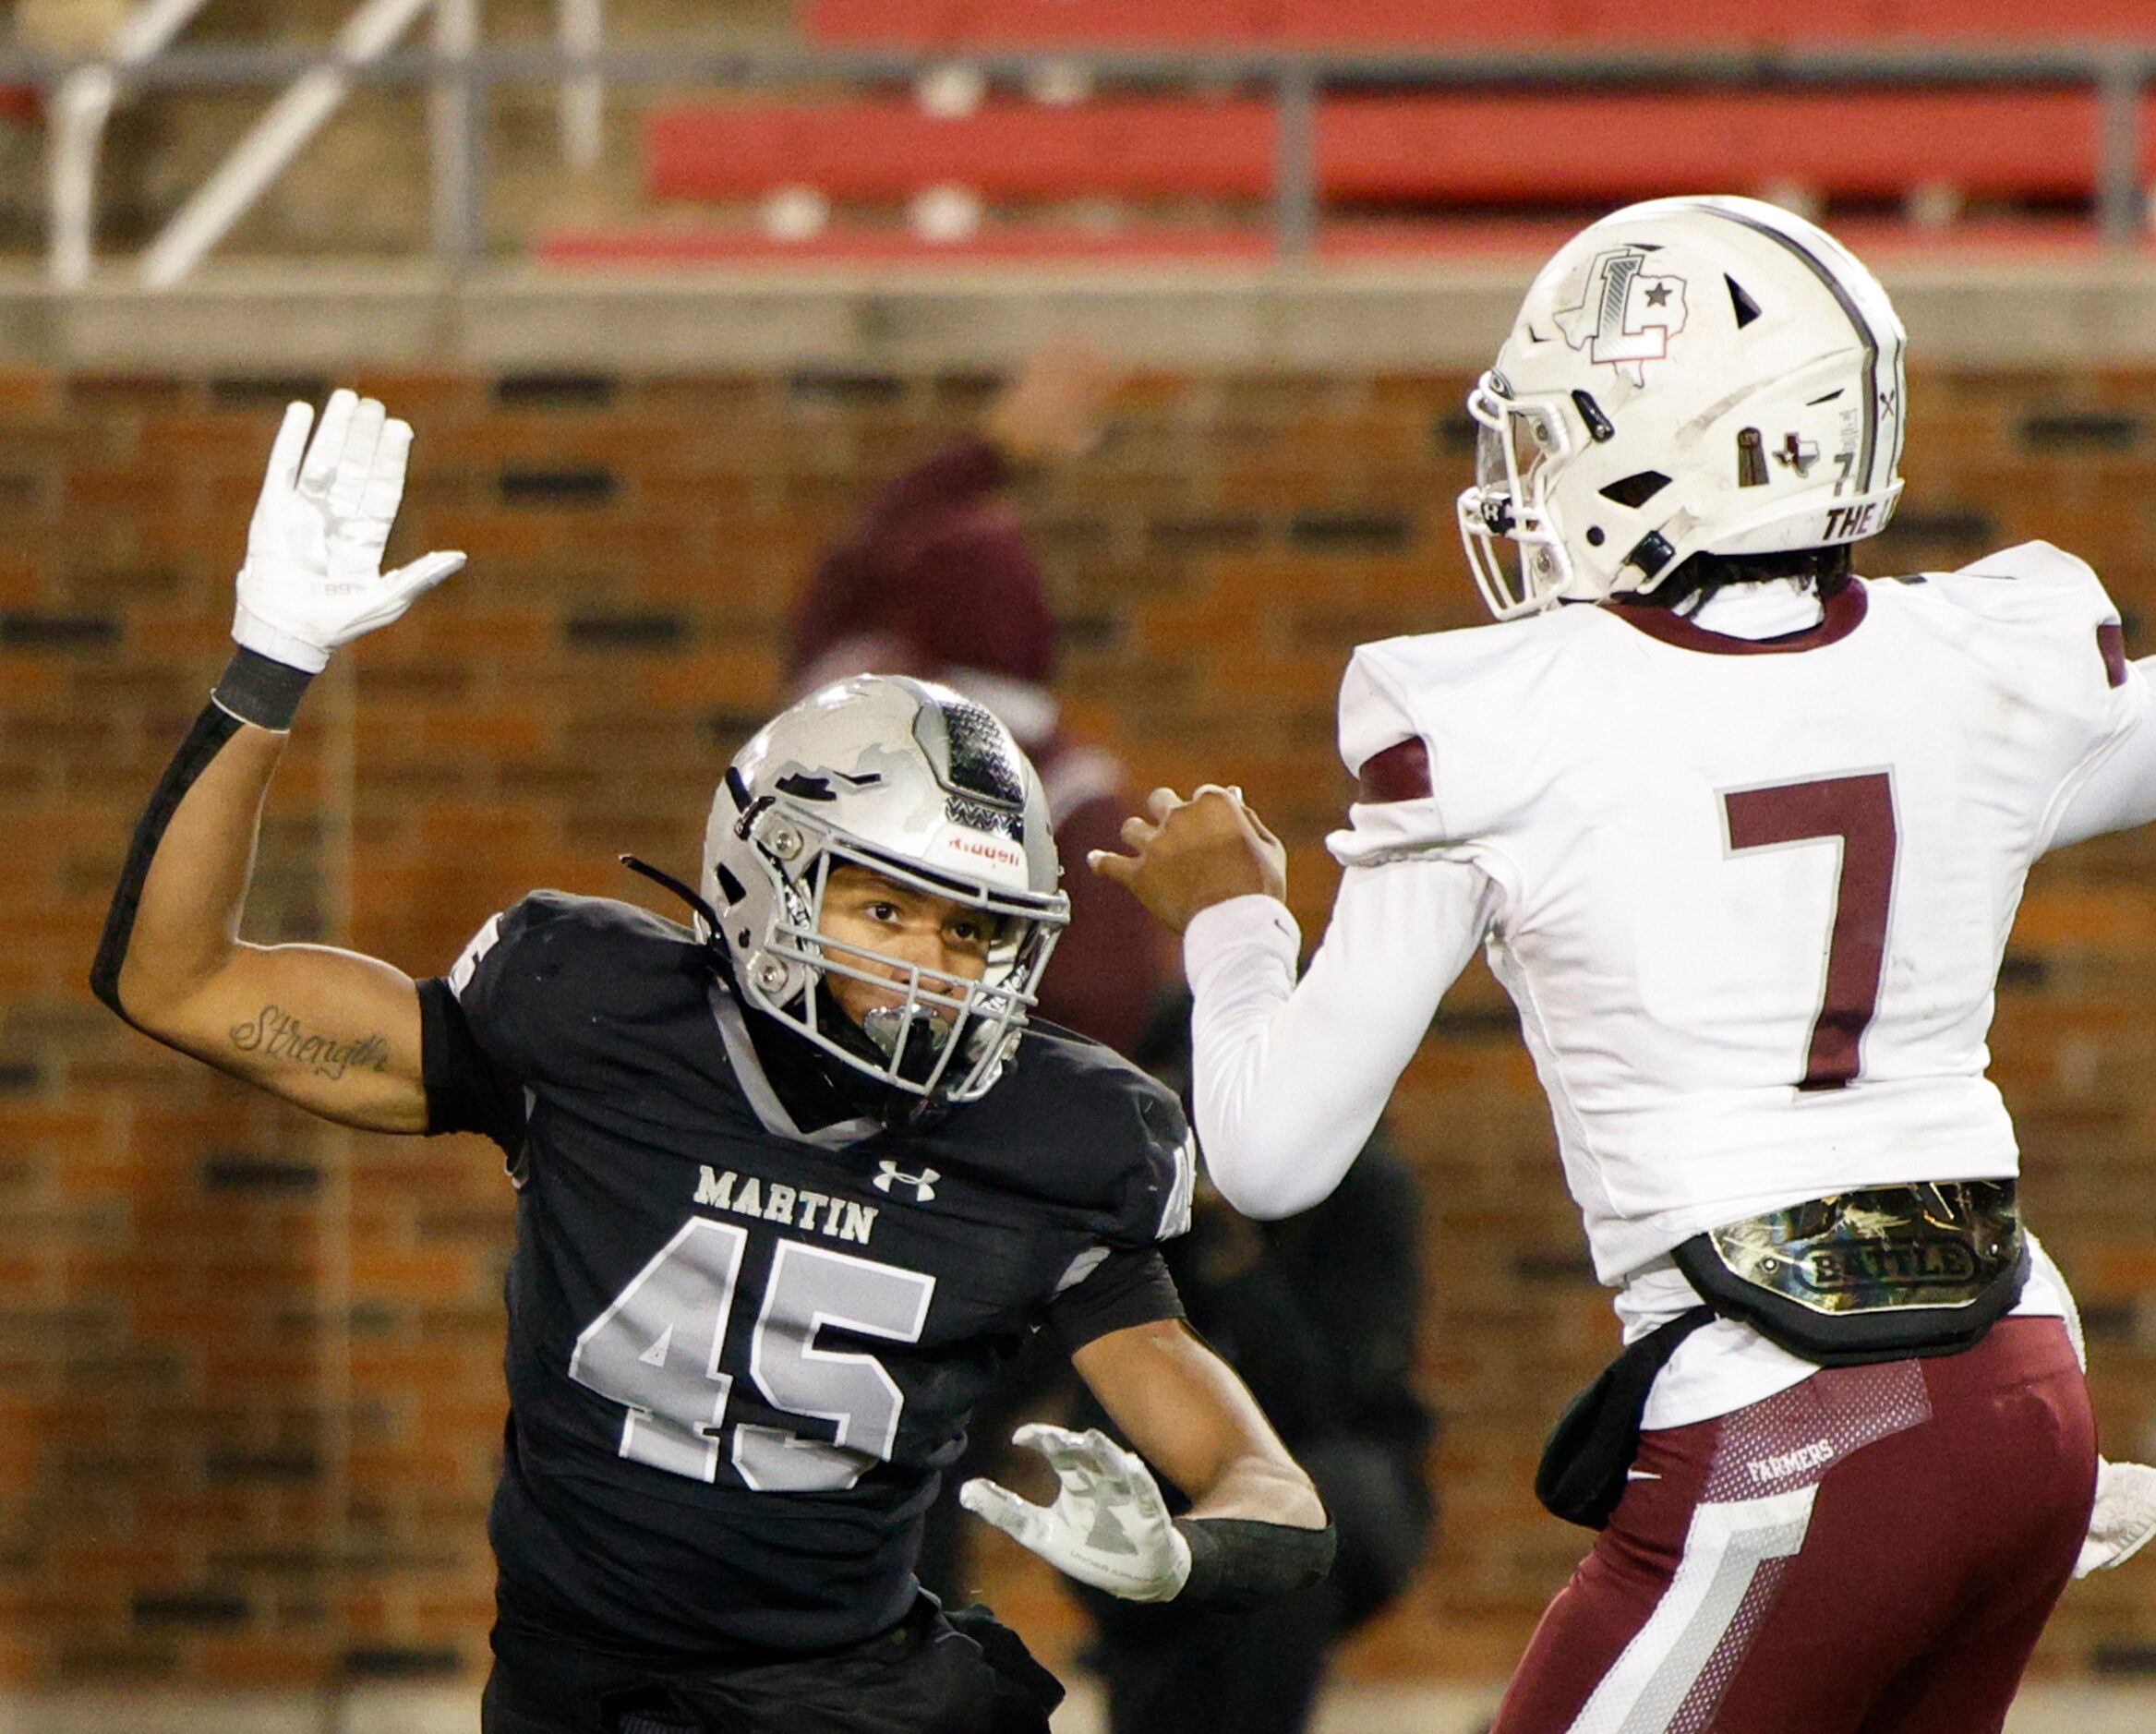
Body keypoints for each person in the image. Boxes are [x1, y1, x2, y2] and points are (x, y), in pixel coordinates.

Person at [1091, 196, 2156, 1733]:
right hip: (2023, 1395)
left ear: (1705, 444)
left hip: (1792, 1418)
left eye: (1571, 428)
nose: (1530, 474)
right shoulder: (1974, 662)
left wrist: (1233, 918)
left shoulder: (1502, 723)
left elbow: (1271, 1152)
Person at [90, 390, 1332, 1734]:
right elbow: (181, 980)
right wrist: (265, 669)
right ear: (765, 878)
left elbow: (1271, 1491)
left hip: (852, 1700)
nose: (933, 962)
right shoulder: (597, 1016)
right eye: (885, 908)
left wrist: (1181, 1554)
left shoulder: (1055, 1128)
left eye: (973, 928)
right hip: (582, 1689)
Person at [787, 340, 1167, 1055]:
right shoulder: (1073, 791)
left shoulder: (845, 712)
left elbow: (854, 565)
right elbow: (1100, 1016)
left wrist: (986, 455)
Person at [1071, 994, 1434, 1734]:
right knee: (1129, 1507)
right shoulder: (1138, 1200)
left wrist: (1234, 1261)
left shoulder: (1363, 1190)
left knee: (1286, 1522)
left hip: (1342, 1479)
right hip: (1171, 1478)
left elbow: (1324, 1396)